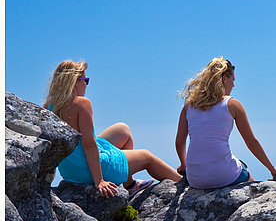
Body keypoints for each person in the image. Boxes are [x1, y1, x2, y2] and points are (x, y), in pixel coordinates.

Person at [45, 60, 182, 198]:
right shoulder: (81, 103)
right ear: (74, 81)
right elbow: (89, 145)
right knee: (147, 157)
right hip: (87, 169)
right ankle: (183, 183)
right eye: (85, 80)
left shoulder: (49, 104)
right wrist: (99, 181)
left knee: (123, 130)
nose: (86, 84)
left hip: (70, 171)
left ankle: (130, 184)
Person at [175, 57, 276, 189]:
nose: (234, 85)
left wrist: (184, 165)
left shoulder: (188, 106)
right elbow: (251, 142)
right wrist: (272, 168)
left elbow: (179, 142)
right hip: (223, 175)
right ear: (224, 78)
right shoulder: (232, 104)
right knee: (243, 168)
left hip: (195, 179)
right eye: (233, 80)